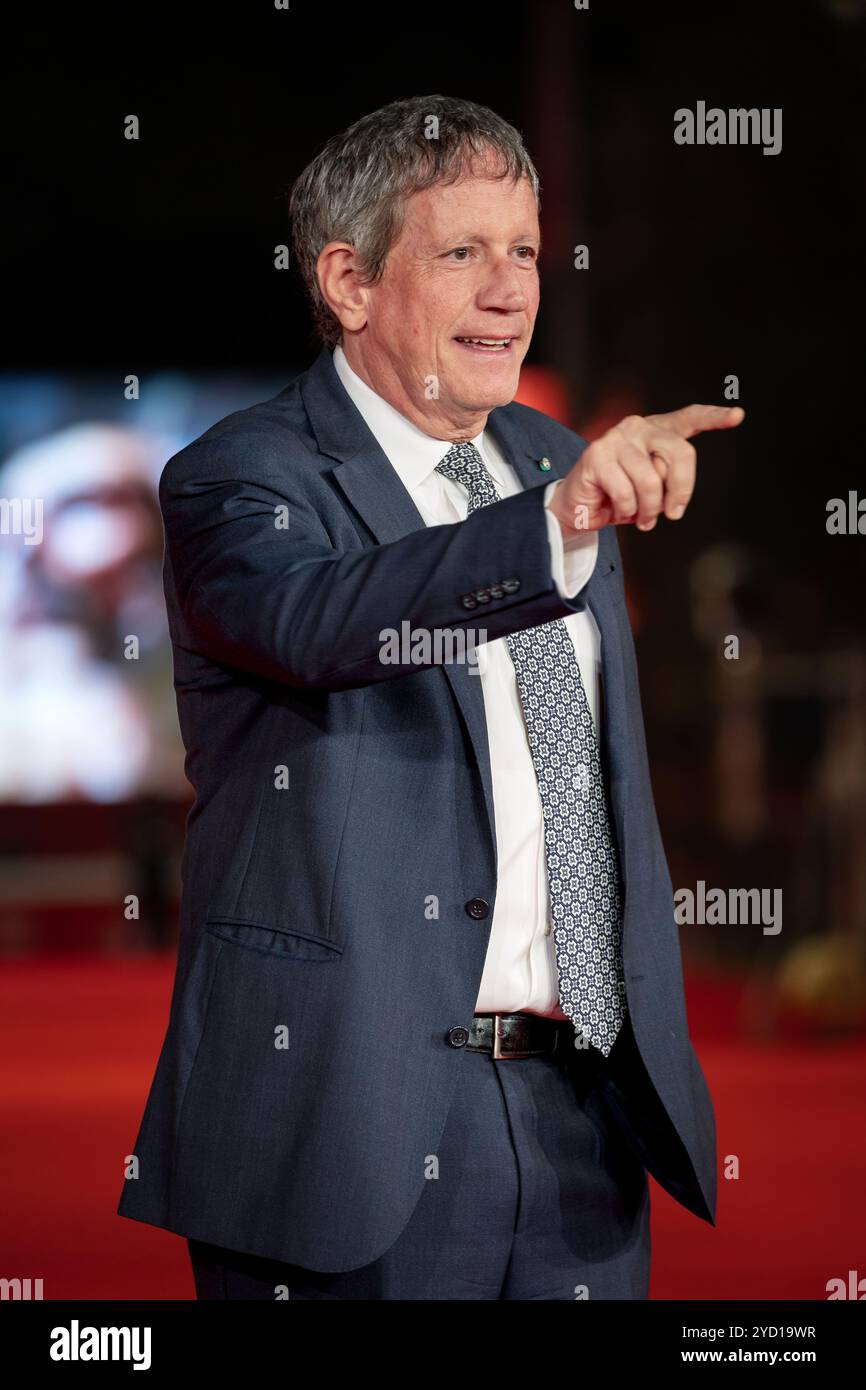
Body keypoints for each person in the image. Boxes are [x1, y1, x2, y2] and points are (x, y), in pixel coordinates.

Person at [117, 94, 742, 1300]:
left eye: (523, 251)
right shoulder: (239, 476)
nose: (510, 290)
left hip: (585, 1122)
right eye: (461, 252)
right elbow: (319, 621)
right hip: (344, 1130)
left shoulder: (560, 460)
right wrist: (552, 526)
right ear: (349, 282)